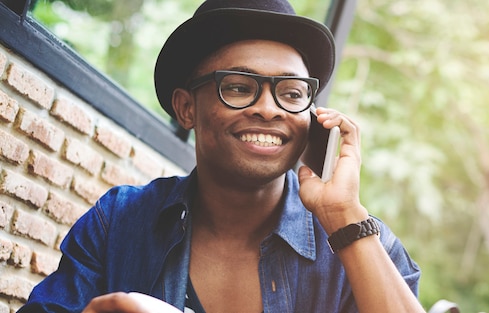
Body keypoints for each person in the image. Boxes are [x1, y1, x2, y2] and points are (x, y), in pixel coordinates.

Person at [18, 0, 426, 312]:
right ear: (186, 109)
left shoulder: (360, 245)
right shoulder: (120, 222)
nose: (269, 109)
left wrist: (343, 217)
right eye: (238, 87)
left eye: (292, 93)